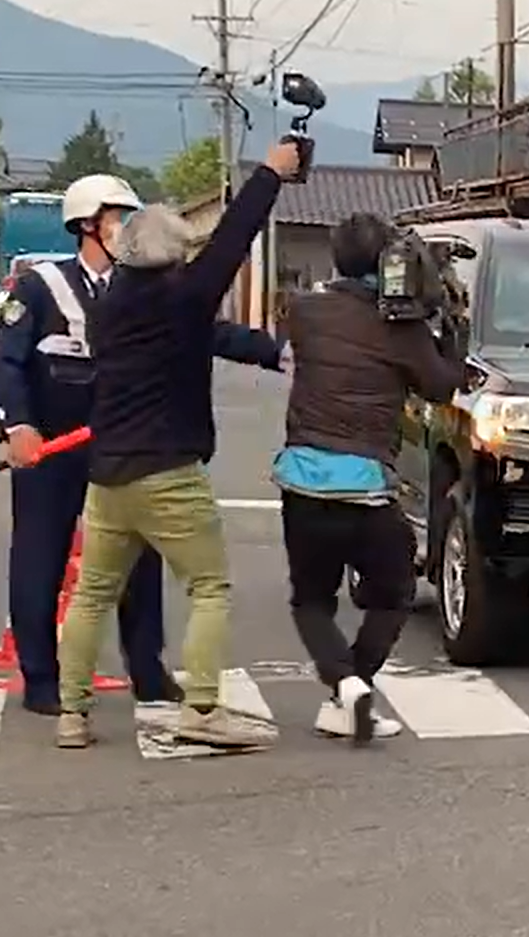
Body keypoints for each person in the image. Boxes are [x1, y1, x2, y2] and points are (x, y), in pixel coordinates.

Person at [51, 143, 300, 750]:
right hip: (169, 471)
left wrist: (269, 352)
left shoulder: (107, 308)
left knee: (92, 594)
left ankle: (72, 714)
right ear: (174, 256)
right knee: (209, 586)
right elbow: (234, 237)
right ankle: (202, 710)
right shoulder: (185, 299)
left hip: (108, 473)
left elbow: (208, 326)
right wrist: (270, 173)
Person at [0, 174, 176, 716]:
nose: (126, 230)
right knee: (40, 559)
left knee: (140, 559)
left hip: (120, 447)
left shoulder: (141, 288)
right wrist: (18, 426)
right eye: (118, 219)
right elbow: (6, 361)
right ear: (88, 224)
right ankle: (41, 679)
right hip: (50, 448)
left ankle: (148, 671)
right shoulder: (38, 287)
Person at [272, 213, 464, 745]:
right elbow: (442, 386)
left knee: (311, 599)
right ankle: (354, 682)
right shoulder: (402, 329)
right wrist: (448, 327)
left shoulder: (304, 311)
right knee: (394, 594)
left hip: (303, 482)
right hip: (366, 489)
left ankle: (344, 687)